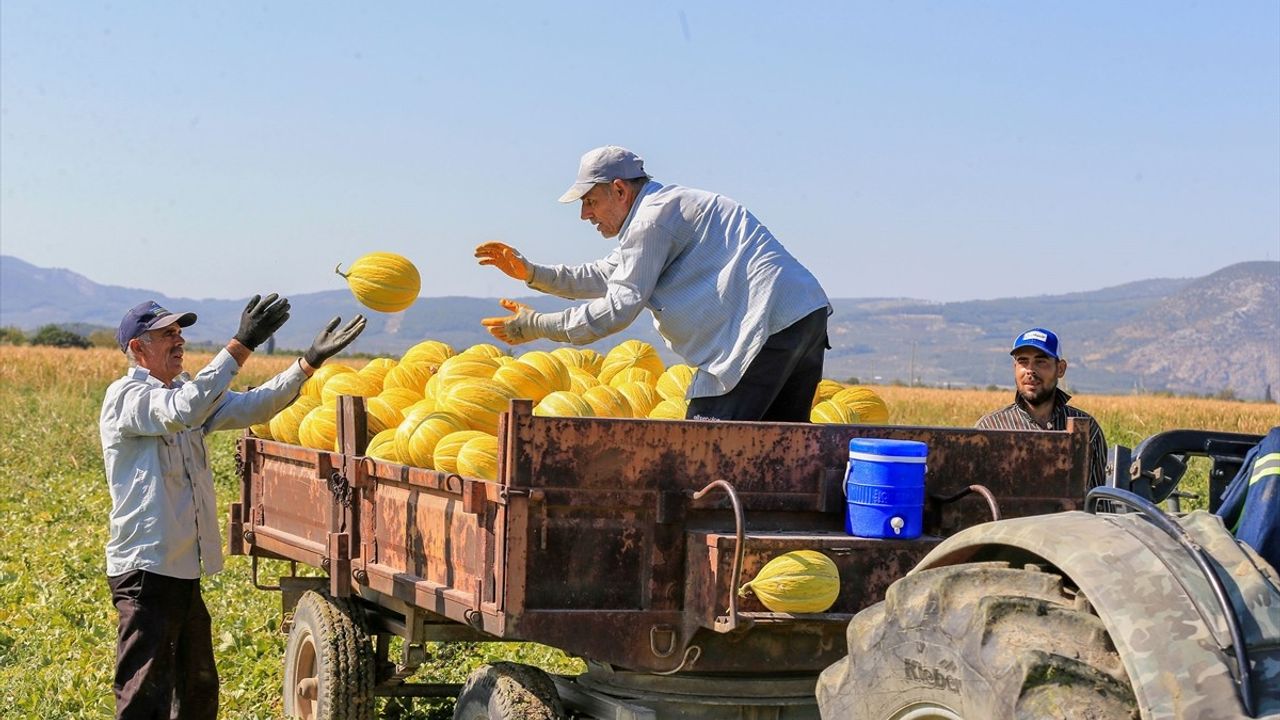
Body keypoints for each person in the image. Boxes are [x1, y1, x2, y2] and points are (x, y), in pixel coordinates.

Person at [100, 295, 366, 719]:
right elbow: (180, 413)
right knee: (144, 693)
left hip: (181, 570)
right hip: (146, 572)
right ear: (138, 348)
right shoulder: (128, 398)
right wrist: (241, 343)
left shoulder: (185, 394)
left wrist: (308, 363)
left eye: (180, 332)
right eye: (167, 334)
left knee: (198, 689)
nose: (179, 340)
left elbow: (251, 405)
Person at [475, 145, 831, 422]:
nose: (585, 215)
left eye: (590, 202)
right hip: (800, 317)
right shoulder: (658, 213)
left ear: (619, 190)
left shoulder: (650, 222)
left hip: (763, 330)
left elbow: (618, 308)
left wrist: (535, 326)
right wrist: (533, 274)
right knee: (779, 451)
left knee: (709, 451)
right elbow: (606, 274)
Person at [976, 327, 1108, 491]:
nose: (1030, 371)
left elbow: (1099, 502)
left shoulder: (1087, 430)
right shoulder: (990, 428)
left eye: (1040, 362)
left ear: (1060, 369)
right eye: (1023, 361)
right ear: (1015, 367)